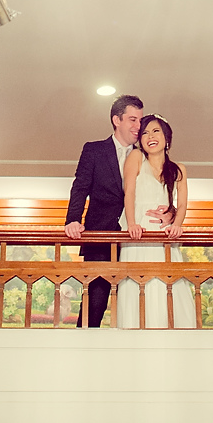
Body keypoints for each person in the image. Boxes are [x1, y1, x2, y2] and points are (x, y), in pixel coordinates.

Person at [64, 94, 163, 327]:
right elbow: (80, 187)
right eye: (132, 120)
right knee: (94, 304)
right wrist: (72, 220)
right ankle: (83, 346)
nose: (138, 126)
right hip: (100, 238)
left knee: (139, 301)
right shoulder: (94, 150)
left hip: (137, 241)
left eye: (140, 120)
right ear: (116, 120)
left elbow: (160, 189)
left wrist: (170, 212)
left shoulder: (148, 155)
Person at [115, 114, 195, 329]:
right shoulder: (136, 157)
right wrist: (132, 223)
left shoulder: (178, 169)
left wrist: (176, 225)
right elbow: (129, 192)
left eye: (155, 131)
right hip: (138, 232)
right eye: (145, 133)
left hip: (163, 234)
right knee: (138, 282)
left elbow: (182, 203)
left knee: (165, 283)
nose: (150, 136)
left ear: (166, 137)